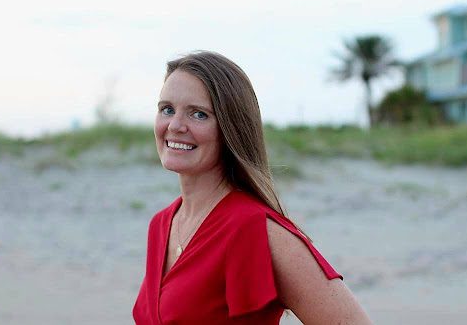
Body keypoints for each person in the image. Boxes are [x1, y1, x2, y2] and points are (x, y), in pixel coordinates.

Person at [132, 51, 372, 324]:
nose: (175, 125)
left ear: (230, 127)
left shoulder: (255, 228)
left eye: (198, 114)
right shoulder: (161, 225)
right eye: (167, 109)